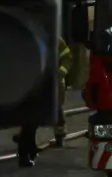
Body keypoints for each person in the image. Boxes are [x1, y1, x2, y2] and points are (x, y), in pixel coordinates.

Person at [14, 37, 74, 165]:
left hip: (52, 87)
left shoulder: (56, 40)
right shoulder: (29, 38)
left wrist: (60, 73)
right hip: (35, 87)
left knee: (54, 111)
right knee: (31, 120)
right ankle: (27, 149)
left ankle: (57, 135)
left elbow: (67, 57)